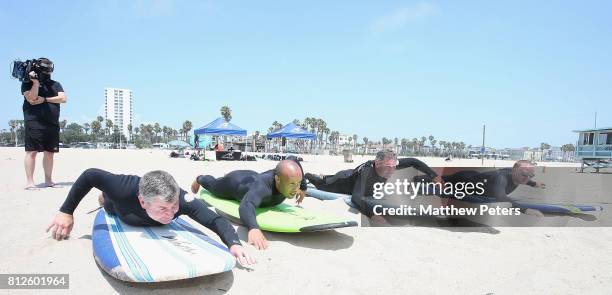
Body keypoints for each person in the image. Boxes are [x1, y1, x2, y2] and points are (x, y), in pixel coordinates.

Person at [47, 169, 255, 266]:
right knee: (107, 202)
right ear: (143, 201)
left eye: (174, 207)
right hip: (119, 206)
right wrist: (66, 211)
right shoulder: (123, 188)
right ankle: (103, 198)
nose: (171, 213)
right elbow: (90, 175)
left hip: (145, 200)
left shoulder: (182, 200)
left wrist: (233, 243)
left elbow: (214, 220)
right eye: (163, 209)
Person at [191, 157, 306, 250]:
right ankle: (200, 178)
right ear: (278, 179)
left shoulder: (286, 176)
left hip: (252, 176)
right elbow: (246, 205)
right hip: (234, 183)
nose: (296, 188)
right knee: (214, 186)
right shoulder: (262, 188)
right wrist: (253, 227)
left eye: (298, 183)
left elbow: (293, 159)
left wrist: (303, 187)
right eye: (292, 184)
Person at [305, 150, 441, 222]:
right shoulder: (367, 171)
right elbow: (357, 197)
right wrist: (372, 215)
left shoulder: (390, 163)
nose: (392, 171)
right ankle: (311, 176)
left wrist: (434, 176)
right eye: (388, 167)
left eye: (394, 167)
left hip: (351, 175)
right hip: (341, 182)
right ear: (377, 163)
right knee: (322, 184)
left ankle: (324, 175)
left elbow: (414, 161)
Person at [21, 58, 66, 189]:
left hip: (51, 123)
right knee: (32, 152)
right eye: (44, 67)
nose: (47, 70)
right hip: (34, 121)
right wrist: (35, 83)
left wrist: (45, 99)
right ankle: (30, 182)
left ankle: (48, 180)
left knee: (49, 153)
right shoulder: (26, 83)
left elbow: (63, 98)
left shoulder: (55, 84)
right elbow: (32, 98)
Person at [439, 160, 546, 202]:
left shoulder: (518, 175)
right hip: (463, 180)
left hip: (476, 177)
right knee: (437, 181)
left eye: (530, 176)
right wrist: (522, 206)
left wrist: (534, 184)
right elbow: (501, 197)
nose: (527, 178)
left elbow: (525, 178)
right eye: (524, 175)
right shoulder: (501, 179)